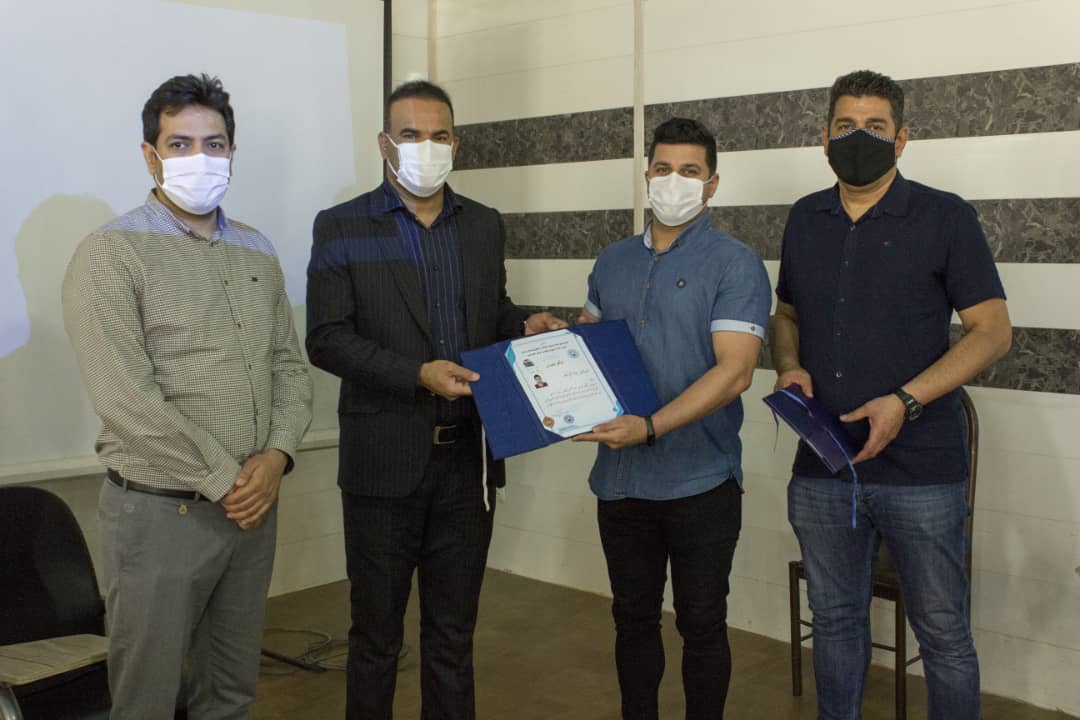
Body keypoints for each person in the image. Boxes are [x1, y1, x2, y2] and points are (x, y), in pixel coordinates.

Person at [305, 80, 566, 720]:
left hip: (467, 464)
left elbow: (490, 312)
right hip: (383, 462)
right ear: (384, 144)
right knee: (376, 638)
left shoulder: (482, 224)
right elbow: (327, 338)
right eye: (411, 135)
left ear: (456, 142)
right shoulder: (341, 225)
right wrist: (415, 374)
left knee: (453, 636)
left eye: (439, 135)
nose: (427, 146)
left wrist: (523, 323)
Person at [62, 73, 313, 719]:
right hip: (161, 514)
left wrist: (277, 456)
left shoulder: (256, 248)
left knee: (229, 691)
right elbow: (125, 396)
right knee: (146, 698)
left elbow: (288, 366)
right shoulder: (110, 253)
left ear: (232, 152)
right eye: (180, 144)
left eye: (214, 143)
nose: (200, 158)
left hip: (252, 511)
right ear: (151, 155)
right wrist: (230, 479)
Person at [768, 69, 1012, 720]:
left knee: (943, 634)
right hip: (825, 465)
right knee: (835, 622)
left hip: (922, 472)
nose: (860, 138)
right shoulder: (805, 218)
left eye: (875, 127)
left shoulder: (945, 217)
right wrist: (788, 365)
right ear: (824, 137)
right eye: (846, 125)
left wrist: (904, 401)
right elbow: (786, 314)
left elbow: (993, 332)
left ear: (902, 139)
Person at [576, 117, 772, 719]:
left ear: (712, 184)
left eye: (689, 171)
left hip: (701, 482)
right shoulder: (612, 261)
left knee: (702, 623)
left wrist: (652, 426)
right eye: (663, 168)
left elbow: (735, 371)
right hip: (621, 482)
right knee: (632, 619)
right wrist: (557, 351)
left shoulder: (735, 264)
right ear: (646, 175)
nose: (674, 181)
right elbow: (589, 348)